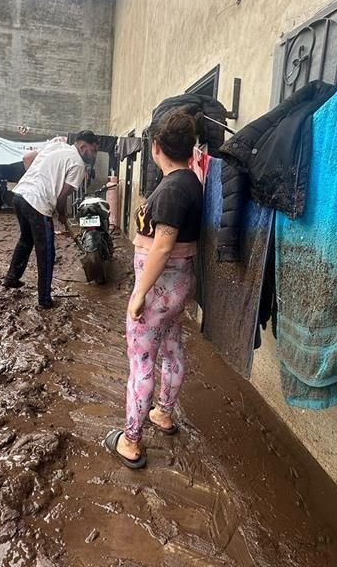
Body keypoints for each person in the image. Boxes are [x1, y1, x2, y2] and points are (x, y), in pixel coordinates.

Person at [103, 113, 202, 469]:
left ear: (156, 148)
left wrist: (139, 294)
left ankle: (130, 441)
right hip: (178, 286)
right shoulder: (190, 181)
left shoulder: (174, 187)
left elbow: (162, 245)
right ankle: (163, 413)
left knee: (141, 362)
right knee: (172, 348)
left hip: (160, 288)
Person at [4, 132, 99, 309]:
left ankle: (11, 278)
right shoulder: (78, 164)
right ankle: (44, 300)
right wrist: (62, 214)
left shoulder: (57, 145)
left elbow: (28, 157)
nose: (94, 155)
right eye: (93, 151)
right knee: (46, 252)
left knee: (26, 239)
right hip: (37, 203)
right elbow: (63, 196)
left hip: (20, 195)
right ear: (82, 147)